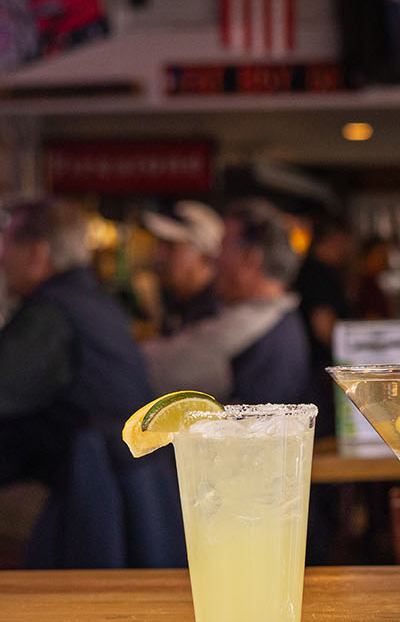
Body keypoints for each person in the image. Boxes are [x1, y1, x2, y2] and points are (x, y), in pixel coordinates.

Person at [0, 198, 184, 568]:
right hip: (138, 493)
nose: (2, 260)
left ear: (37, 254)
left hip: (96, 500)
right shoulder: (95, 302)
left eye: (6, 247)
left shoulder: (51, 315)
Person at [143, 197, 311, 406]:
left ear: (249, 258)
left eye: (222, 247)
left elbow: (159, 372)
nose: (214, 258)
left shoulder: (256, 328)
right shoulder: (274, 320)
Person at [295, 217, 354, 435]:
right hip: (319, 373)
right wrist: (353, 357)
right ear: (336, 239)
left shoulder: (309, 270)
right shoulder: (318, 273)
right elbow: (323, 326)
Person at [142, 200, 223, 335]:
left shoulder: (217, 315)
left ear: (204, 256)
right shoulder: (179, 303)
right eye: (159, 245)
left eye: (171, 247)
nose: (158, 256)